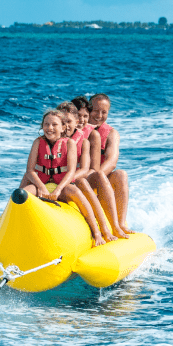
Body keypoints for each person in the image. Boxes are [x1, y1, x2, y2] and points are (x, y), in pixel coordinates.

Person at [21, 109, 107, 246]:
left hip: (62, 185)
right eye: (46, 124)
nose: (49, 128)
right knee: (22, 194)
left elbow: (71, 171)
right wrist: (42, 187)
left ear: (63, 128)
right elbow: (30, 171)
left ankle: (96, 233)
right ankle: (11, 230)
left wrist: (58, 190)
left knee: (76, 193)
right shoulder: (37, 142)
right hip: (42, 184)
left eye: (54, 125)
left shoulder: (69, 143)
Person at [58, 102, 117, 242]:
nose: (66, 125)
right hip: (57, 182)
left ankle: (104, 230)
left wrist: (65, 180)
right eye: (62, 122)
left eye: (85, 116)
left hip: (74, 180)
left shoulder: (86, 139)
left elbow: (89, 169)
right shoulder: (50, 139)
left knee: (83, 182)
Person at [88, 93, 134, 235]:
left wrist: (97, 178)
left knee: (121, 174)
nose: (99, 115)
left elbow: (112, 162)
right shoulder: (76, 129)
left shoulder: (111, 134)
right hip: (78, 178)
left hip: (97, 179)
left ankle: (120, 224)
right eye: (95, 110)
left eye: (104, 112)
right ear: (88, 109)